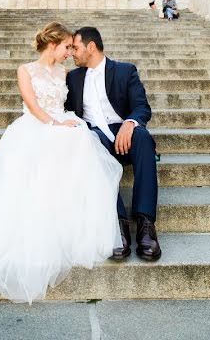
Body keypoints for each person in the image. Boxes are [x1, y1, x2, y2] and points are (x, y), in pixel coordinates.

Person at [0, 23, 123, 303]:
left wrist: (66, 120)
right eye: (66, 46)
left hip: (58, 120)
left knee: (81, 141)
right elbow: (32, 104)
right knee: (51, 146)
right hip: (35, 125)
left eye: (73, 48)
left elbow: (65, 105)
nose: (69, 52)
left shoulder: (63, 72)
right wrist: (54, 124)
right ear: (53, 44)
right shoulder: (25, 70)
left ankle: (72, 227)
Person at [66, 26, 161, 262]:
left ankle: (145, 224)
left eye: (75, 47)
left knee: (143, 138)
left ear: (91, 47)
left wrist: (130, 123)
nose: (72, 53)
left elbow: (142, 106)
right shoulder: (73, 77)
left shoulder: (125, 71)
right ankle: (117, 224)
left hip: (124, 131)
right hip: (94, 136)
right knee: (90, 141)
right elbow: (66, 111)